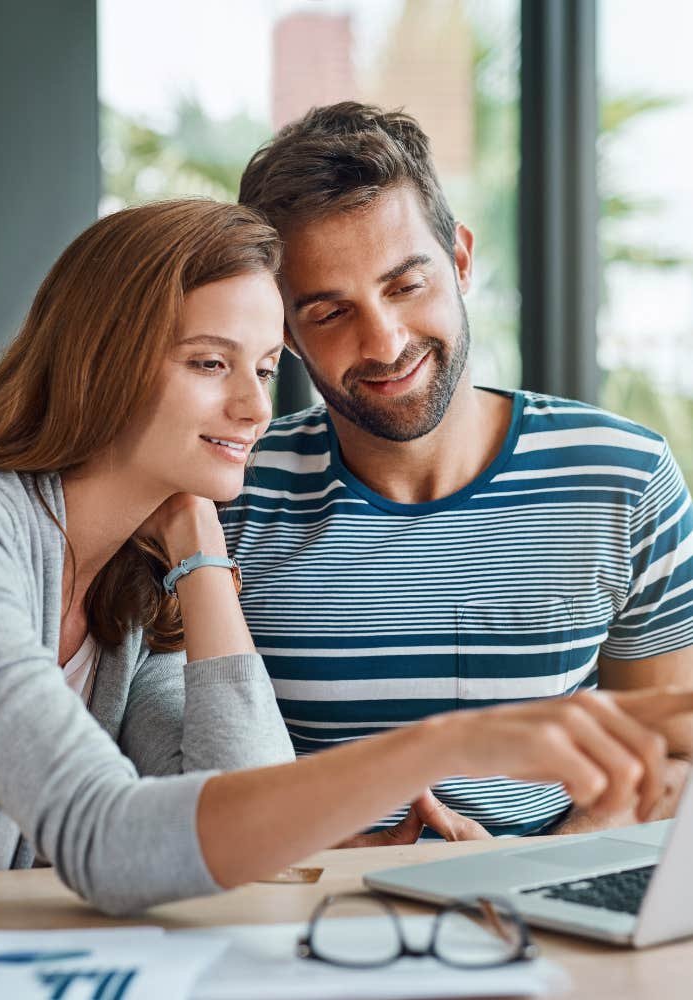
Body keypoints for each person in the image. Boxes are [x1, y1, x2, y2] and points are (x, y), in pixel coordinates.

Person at [0, 199, 692, 918]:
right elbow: (103, 836)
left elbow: (232, 811)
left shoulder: (132, 591)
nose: (255, 407)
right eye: (210, 364)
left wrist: (200, 552)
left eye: (262, 366)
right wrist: (444, 744)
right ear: (98, 362)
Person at [231, 102, 693, 844]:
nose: (383, 341)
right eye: (329, 312)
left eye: (406, 286)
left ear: (462, 259)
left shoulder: (625, 478)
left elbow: (669, 755)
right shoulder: (231, 497)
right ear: (285, 332)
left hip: (547, 918)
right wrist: (353, 862)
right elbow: (188, 782)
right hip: (301, 917)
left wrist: (520, 873)